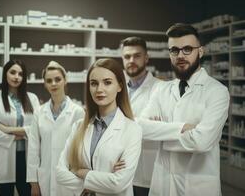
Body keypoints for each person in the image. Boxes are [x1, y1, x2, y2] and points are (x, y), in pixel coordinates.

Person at [136, 23, 230, 196]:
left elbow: (201, 142)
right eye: (174, 50)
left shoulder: (217, 92)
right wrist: (183, 128)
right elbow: (140, 128)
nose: (180, 55)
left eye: (187, 49)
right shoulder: (161, 89)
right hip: (162, 184)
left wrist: (159, 133)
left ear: (200, 52)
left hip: (197, 187)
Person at [56, 58, 142, 196]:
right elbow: (60, 173)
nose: (99, 89)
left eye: (107, 83)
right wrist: (100, 181)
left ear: (120, 86)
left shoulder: (132, 130)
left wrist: (80, 172)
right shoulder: (78, 126)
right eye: (94, 83)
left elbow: (118, 184)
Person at [26, 61, 85, 196]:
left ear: (65, 81)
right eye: (49, 80)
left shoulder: (78, 112)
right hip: (44, 177)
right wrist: (33, 183)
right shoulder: (39, 112)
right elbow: (33, 149)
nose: (53, 83)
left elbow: (81, 150)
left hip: (69, 177)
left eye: (57, 79)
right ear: (45, 84)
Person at [0, 60, 40, 196]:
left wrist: (7, 129)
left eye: (20, 74)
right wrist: (22, 134)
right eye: (13, 72)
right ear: (5, 74)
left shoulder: (32, 98)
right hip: (4, 156)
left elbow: (38, 127)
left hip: (26, 158)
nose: (16, 77)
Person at [120, 36, 161, 196]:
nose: (131, 60)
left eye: (137, 56)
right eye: (127, 56)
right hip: (119, 169)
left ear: (146, 58)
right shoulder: (117, 88)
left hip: (147, 171)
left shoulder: (161, 89)